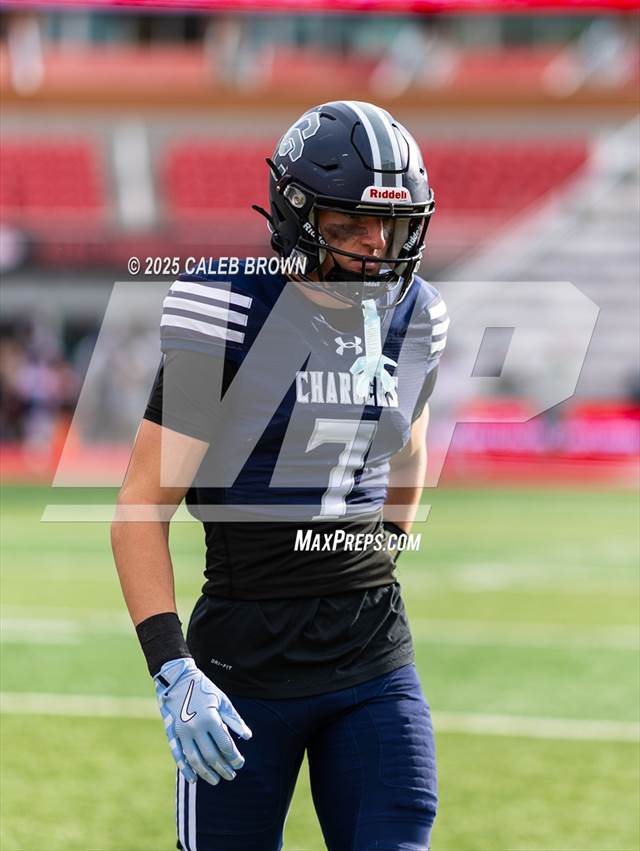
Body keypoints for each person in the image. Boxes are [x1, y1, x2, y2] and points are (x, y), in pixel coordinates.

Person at [111, 100, 449, 851]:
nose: (375, 248)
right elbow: (141, 506)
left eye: (390, 226)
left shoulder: (417, 313)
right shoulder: (225, 305)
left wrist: (375, 556)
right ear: (298, 221)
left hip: (372, 657)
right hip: (244, 664)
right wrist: (172, 668)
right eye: (350, 225)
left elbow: (410, 452)